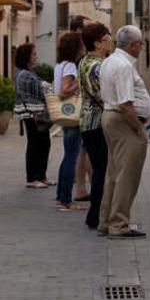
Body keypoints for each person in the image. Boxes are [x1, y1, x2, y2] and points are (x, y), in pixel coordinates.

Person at [99, 25, 150, 239]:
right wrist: (138, 128)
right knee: (127, 175)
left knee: (114, 173)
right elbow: (125, 104)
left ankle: (107, 220)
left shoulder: (111, 61)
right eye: (141, 44)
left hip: (113, 119)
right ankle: (119, 223)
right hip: (124, 122)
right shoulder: (123, 66)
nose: (141, 48)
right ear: (134, 45)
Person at [78, 23, 113, 229]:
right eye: (107, 36)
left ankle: (96, 214)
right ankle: (96, 215)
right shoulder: (95, 66)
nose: (110, 39)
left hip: (90, 123)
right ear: (98, 42)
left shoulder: (87, 61)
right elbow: (102, 97)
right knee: (102, 170)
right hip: (96, 123)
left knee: (101, 169)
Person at [54, 32, 86, 211]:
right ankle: (66, 200)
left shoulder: (60, 65)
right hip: (73, 114)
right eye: (80, 44)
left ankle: (61, 196)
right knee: (71, 157)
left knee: (68, 155)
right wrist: (79, 83)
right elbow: (64, 90)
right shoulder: (71, 68)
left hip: (65, 114)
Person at [14, 43, 53, 189]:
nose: (36, 56)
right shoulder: (25, 74)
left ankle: (41, 176)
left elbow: (42, 85)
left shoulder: (28, 72)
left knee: (43, 143)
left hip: (35, 113)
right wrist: (52, 87)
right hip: (31, 113)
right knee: (35, 144)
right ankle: (32, 178)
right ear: (27, 57)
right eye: (34, 54)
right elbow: (42, 88)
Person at [70, 15, 94, 202]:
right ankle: (82, 187)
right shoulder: (79, 59)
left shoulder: (78, 56)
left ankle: (83, 187)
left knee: (83, 150)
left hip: (82, 109)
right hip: (83, 109)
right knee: (83, 150)